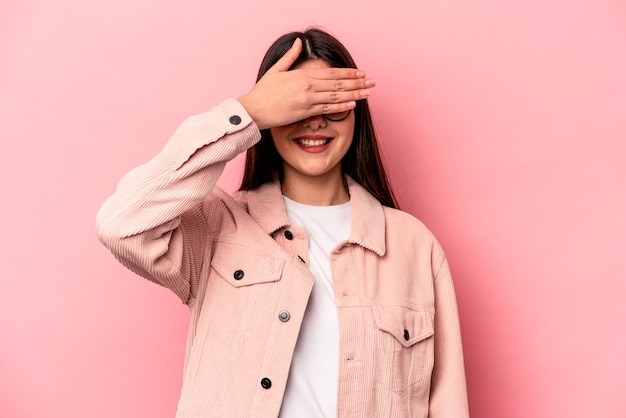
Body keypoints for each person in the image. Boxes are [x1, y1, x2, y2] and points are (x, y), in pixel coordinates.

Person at [96, 28, 469, 418]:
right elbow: (122, 223)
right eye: (297, 105)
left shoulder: (413, 245)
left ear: (356, 113)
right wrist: (247, 113)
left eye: (332, 103)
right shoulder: (216, 227)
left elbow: (447, 404)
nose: (315, 121)